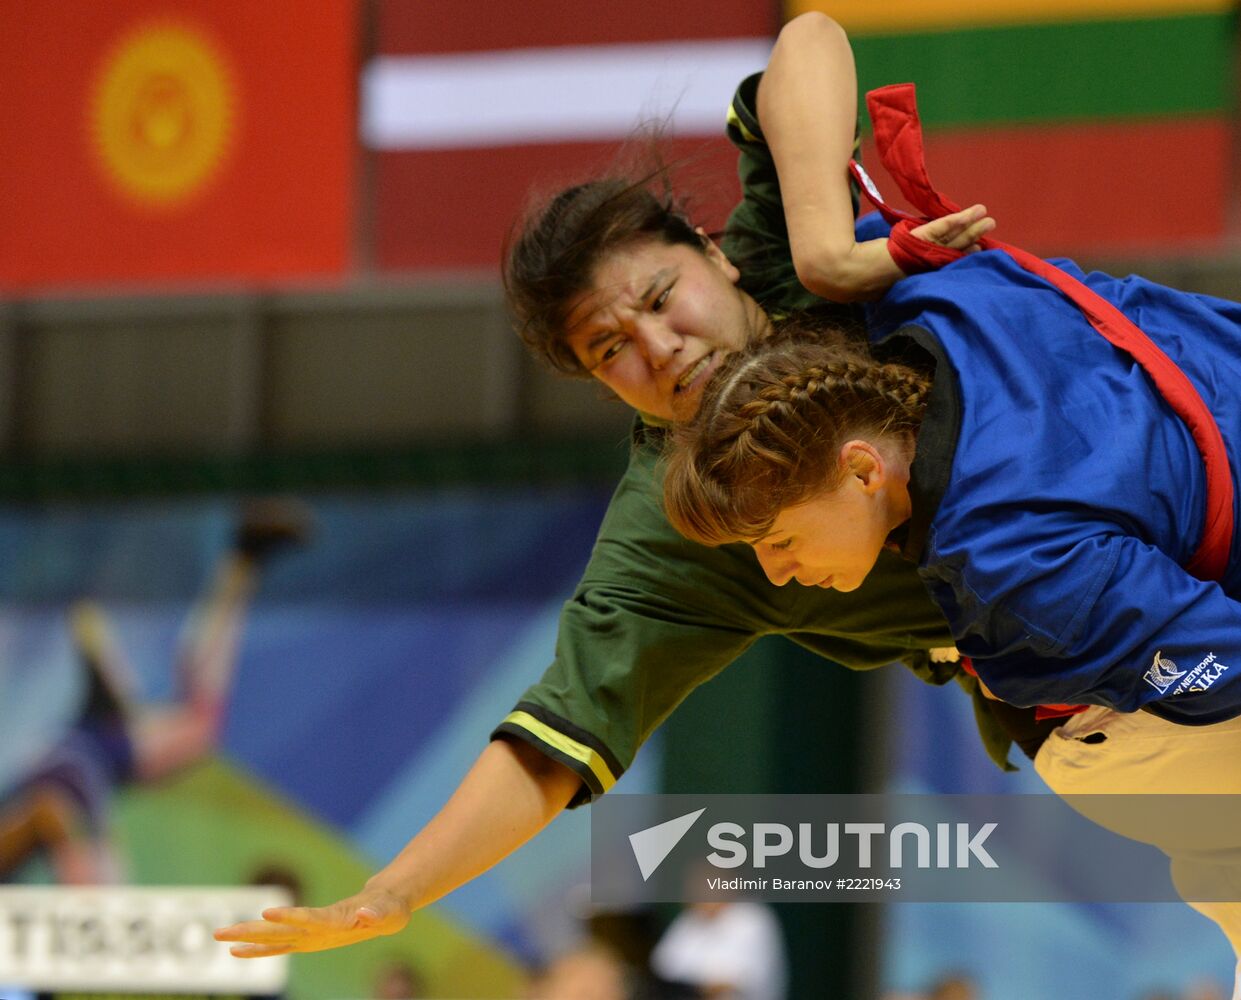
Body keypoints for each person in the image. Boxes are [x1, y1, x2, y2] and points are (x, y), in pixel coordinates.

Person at [214, 11, 1002, 958]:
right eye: (609, 350)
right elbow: (555, 739)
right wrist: (393, 892)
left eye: (662, 300)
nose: (660, 350)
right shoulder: (672, 533)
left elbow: (811, 39)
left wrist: (828, 255)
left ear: (713, 256)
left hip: (1153, 475)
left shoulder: (785, 260)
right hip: (1070, 672)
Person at [660, 182, 1241, 988]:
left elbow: (1227, 659)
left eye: (779, 538)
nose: (778, 572)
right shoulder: (920, 296)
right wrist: (830, 255)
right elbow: (804, 55)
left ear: (861, 468)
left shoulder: (1013, 562)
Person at [0, 500, 311, 883]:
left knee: (100, 900)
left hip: (70, 765)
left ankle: (240, 561)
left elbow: (46, 813)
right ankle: (242, 562)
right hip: (87, 756)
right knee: (198, 725)